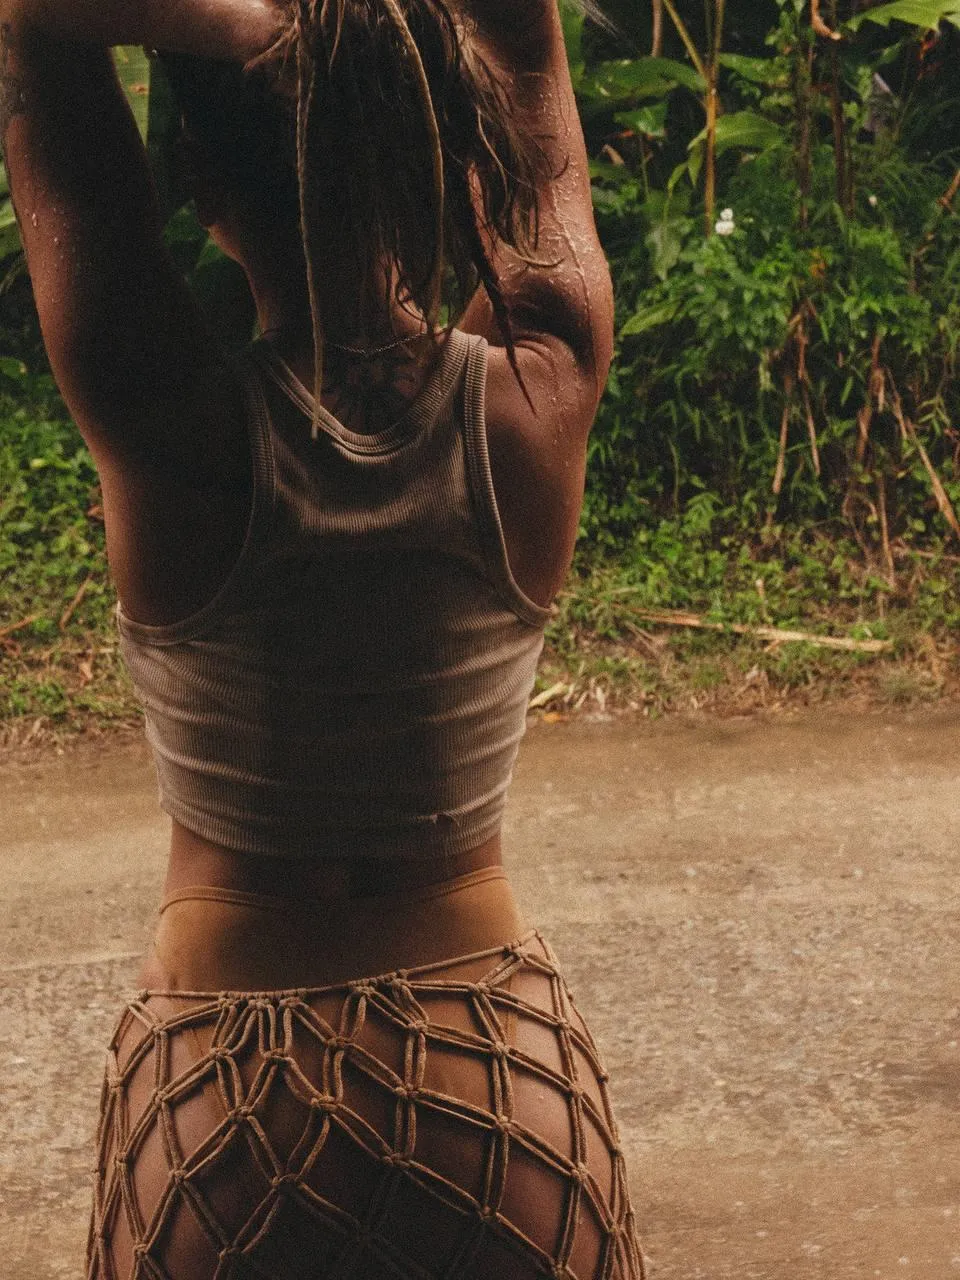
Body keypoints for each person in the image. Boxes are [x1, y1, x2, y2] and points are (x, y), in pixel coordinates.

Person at [0, 0, 644, 1275]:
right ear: (452, 154)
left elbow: (30, 23)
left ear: (198, 178)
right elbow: (523, 31)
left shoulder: (168, 424)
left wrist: (257, 25)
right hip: (496, 1094)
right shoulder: (541, 386)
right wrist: (370, 39)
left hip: (218, 1113)